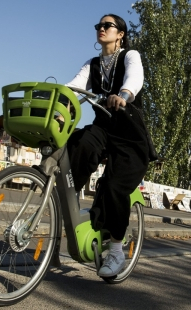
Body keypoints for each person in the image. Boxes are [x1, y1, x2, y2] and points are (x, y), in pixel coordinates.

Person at [64, 14, 152, 278]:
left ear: (120, 33)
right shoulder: (92, 64)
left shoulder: (129, 56)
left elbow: (135, 78)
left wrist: (122, 96)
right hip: (104, 127)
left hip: (128, 131)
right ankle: (67, 200)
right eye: (98, 26)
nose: (101, 29)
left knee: (114, 186)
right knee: (80, 143)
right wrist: (60, 100)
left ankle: (116, 250)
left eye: (107, 26)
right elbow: (75, 87)